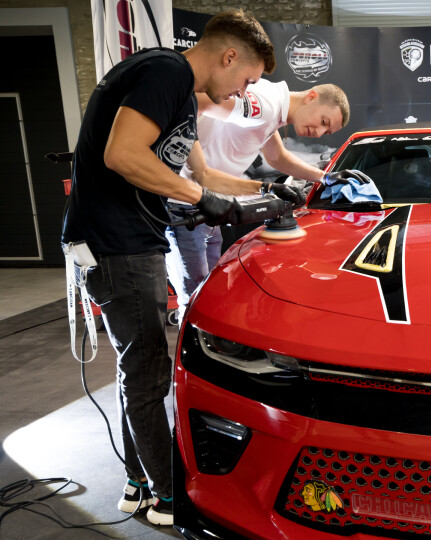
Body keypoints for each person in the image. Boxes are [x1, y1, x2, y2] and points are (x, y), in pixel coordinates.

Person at [60, 10, 282, 526]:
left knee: (137, 369)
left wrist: (267, 191)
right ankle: (167, 497)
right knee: (147, 374)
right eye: (245, 80)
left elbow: (202, 173)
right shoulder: (166, 73)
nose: (238, 94)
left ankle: (138, 483)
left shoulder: (178, 93)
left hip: (127, 240)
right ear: (229, 56)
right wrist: (202, 198)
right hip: (117, 244)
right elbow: (121, 154)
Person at [166, 80, 350, 305]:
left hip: (210, 202)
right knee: (197, 300)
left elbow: (276, 157)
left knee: (208, 292)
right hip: (185, 202)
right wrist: (196, 167)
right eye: (323, 121)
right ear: (312, 97)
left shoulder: (273, 111)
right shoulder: (266, 105)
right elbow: (194, 103)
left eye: (327, 131)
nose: (320, 132)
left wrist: (324, 177)